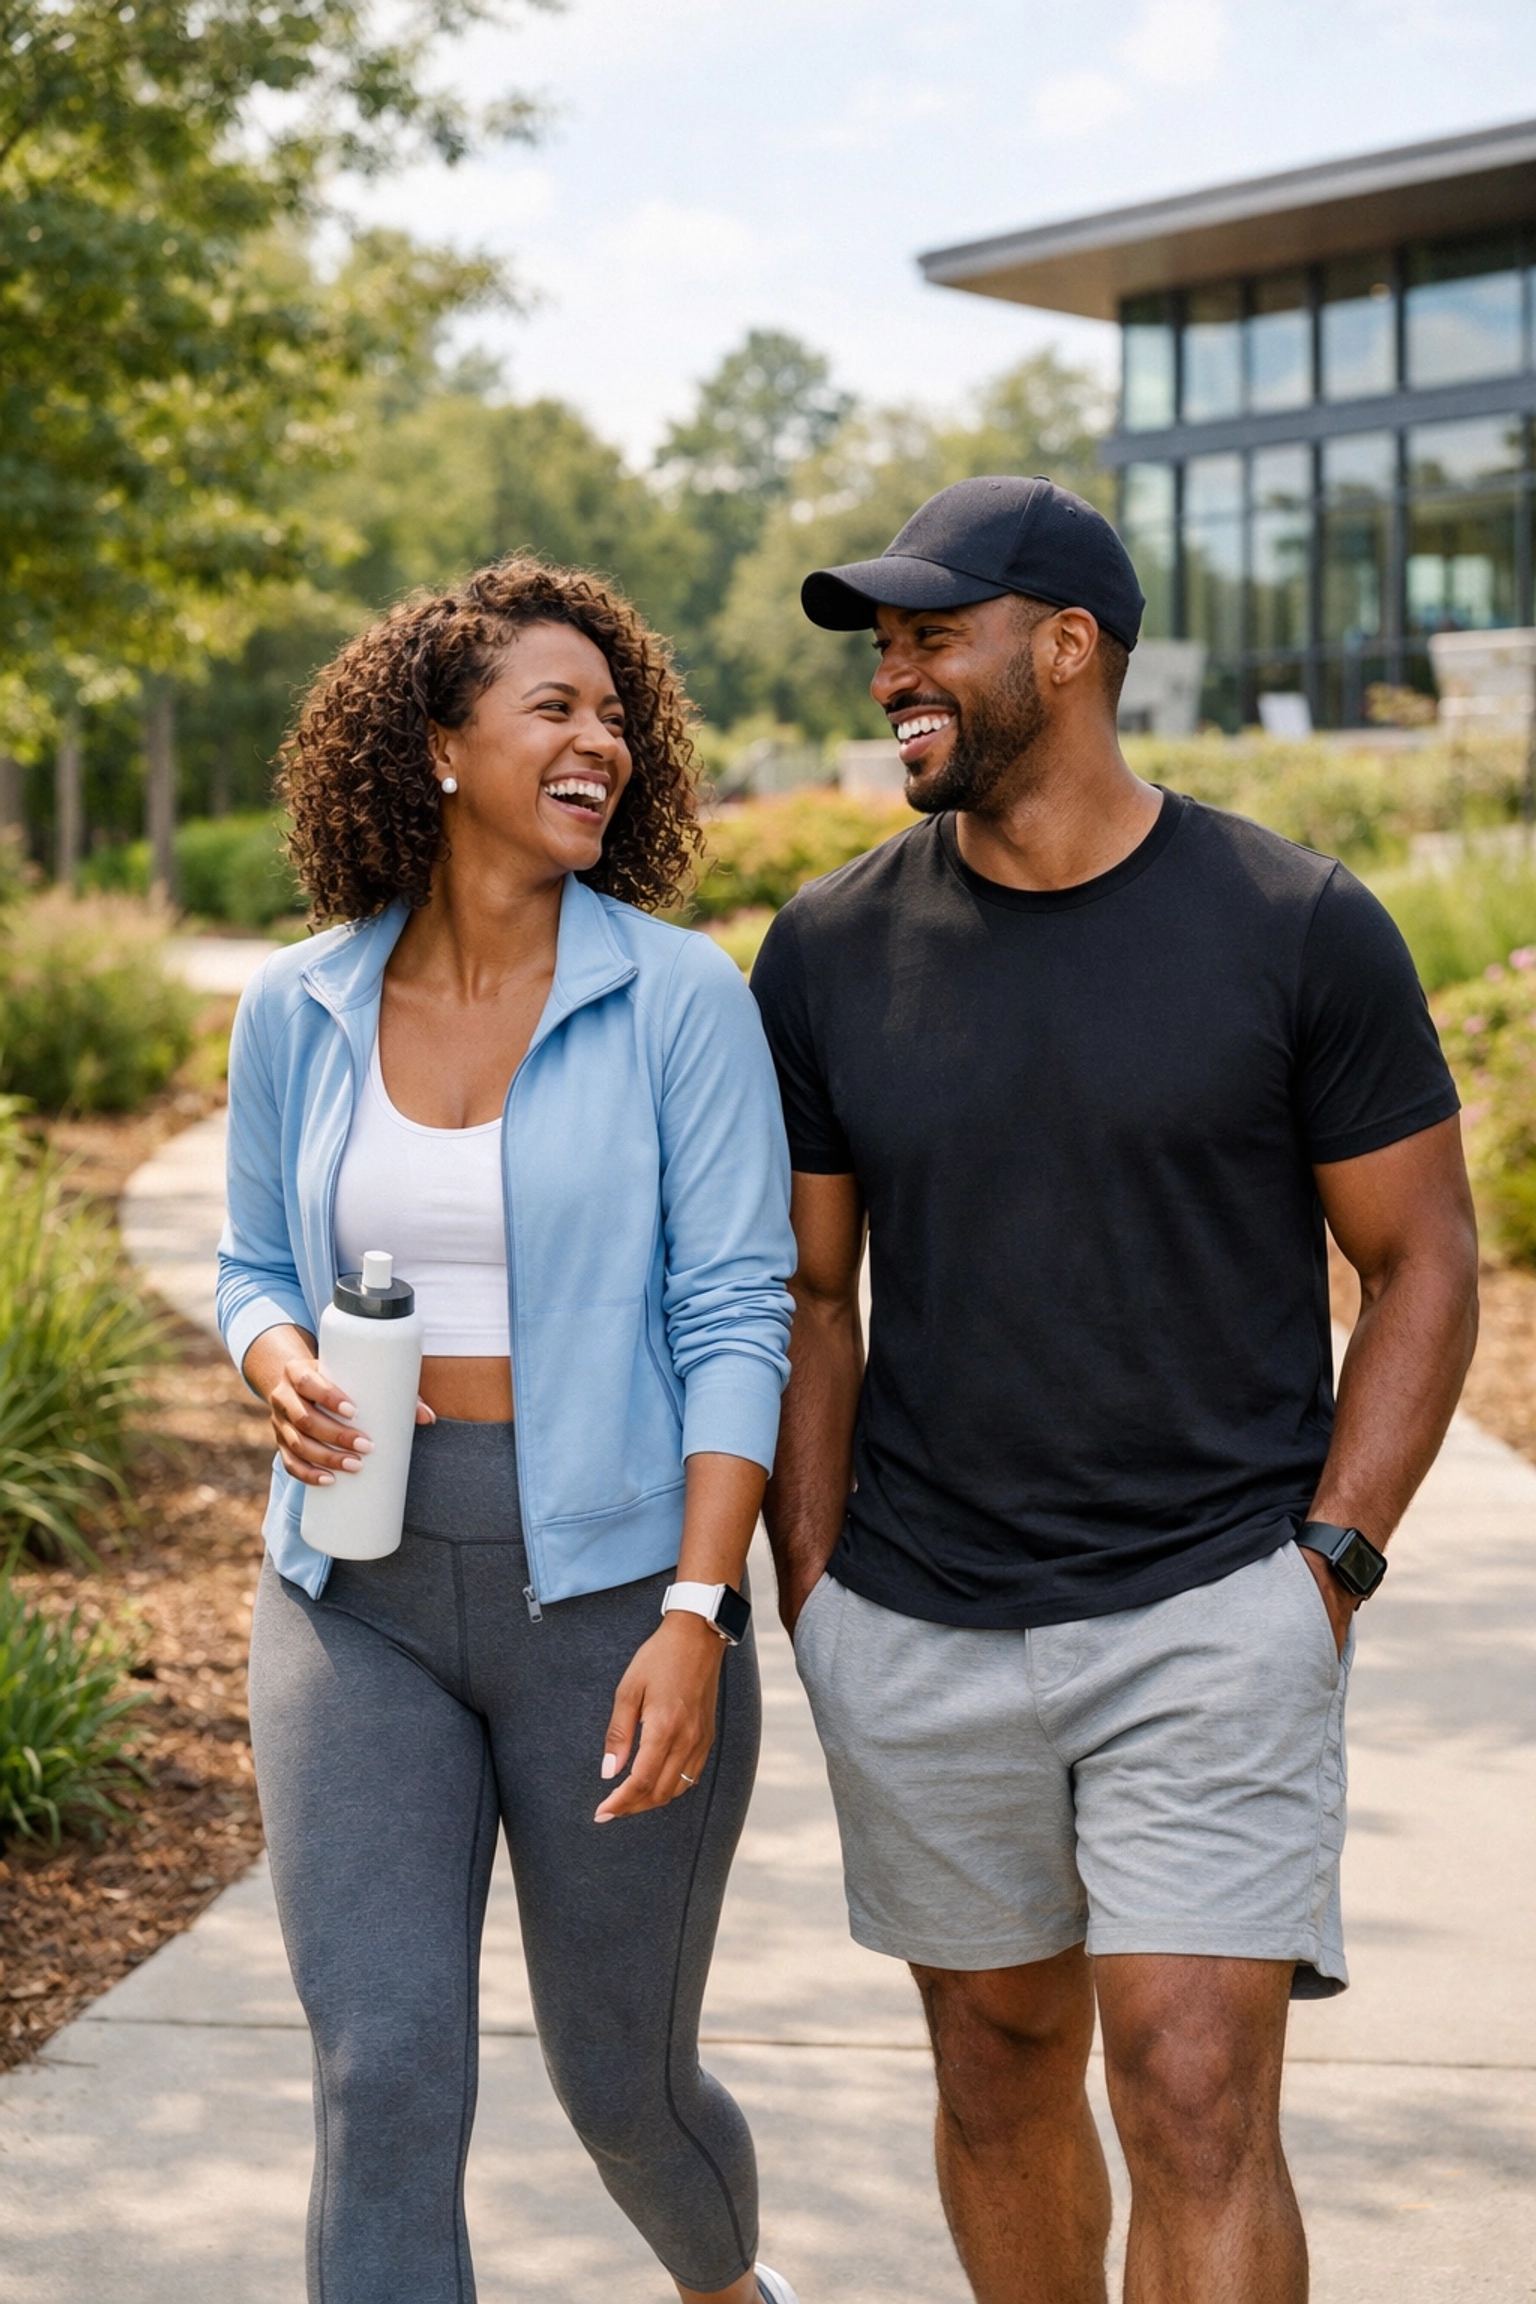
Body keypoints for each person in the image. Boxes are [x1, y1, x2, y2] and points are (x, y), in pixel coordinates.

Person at [751, 475, 1478, 2304]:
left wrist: (1328, 1571)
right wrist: (814, 1584)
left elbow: (1426, 1266)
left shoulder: (1296, 923)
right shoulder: (829, 950)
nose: (893, 675)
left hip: (1214, 1606)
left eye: (933, 635)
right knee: (998, 2077)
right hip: (916, 1618)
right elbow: (808, 1292)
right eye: (882, 645)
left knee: (1195, 2091)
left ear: (1068, 648)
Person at [217, 557, 803, 2304]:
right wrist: (272, 1362)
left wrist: (696, 1615)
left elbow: (735, 1314)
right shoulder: (299, 1004)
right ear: (441, 746)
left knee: (622, 2088)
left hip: (617, 1599)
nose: (600, 743)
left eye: (616, 717)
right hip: (354, 1585)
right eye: (555, 707)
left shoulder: (678, 996)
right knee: (382, 2069)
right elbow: (253, 1260)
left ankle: (723, 2287)